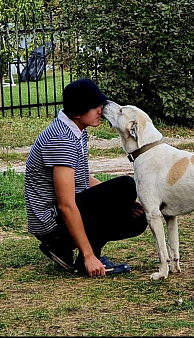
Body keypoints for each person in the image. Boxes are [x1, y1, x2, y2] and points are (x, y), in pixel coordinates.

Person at [24, 78, 148, 277]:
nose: (100, 109)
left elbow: (82, 177)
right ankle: (82, 256)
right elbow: (66, 205)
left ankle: (65, 250)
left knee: (137, 218)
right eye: (94, 106)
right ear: (77, 112)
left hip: (61, 213)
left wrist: (122, 202)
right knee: (126, 185)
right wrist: (88, 255)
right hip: (52, 222)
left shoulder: (76, 130)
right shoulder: (62, 139)